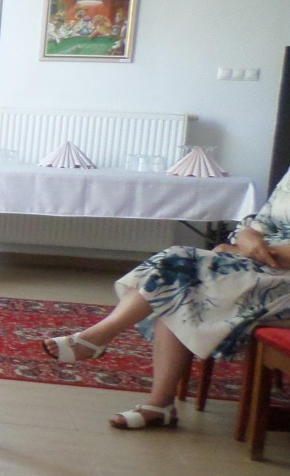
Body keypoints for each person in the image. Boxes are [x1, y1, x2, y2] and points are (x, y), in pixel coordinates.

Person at [42, 169, 290, 428]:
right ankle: (154, 399)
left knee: (182, 273)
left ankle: (102, 342)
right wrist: (248, 240)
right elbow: (257, 225)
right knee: (178, 281)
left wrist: (247, 252)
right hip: (259, 265)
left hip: (281, 280)